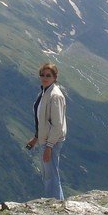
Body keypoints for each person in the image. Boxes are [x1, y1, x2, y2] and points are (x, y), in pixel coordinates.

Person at [26, 62, 67, 199]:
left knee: (51, 175)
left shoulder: (55, 96)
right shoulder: (45, 92)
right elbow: (43, 120)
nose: (44, 77)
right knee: (49, 174)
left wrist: (49, 147)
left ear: (55, 77)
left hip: (52, 142)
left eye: (48, 75)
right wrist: (36, 137)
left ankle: (55, 205)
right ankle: (56, 204)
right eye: (42, 75)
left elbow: (58, 125)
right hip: (46, 140)